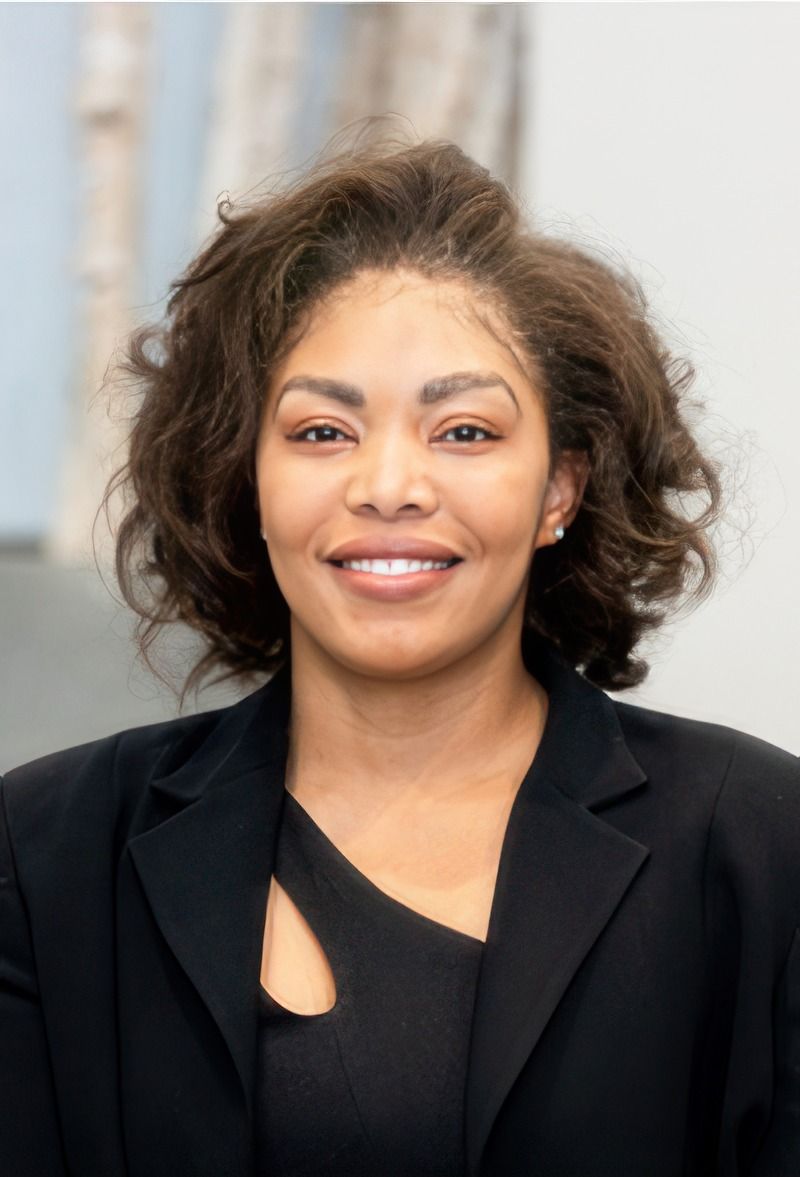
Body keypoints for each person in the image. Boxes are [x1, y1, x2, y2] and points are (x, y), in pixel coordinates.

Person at [1, 136, 798, 1177]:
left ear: (558, 489)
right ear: (247, 479)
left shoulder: (756, 845)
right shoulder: (45, 852)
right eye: (321, 432)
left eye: (463, 432)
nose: (387, 486)